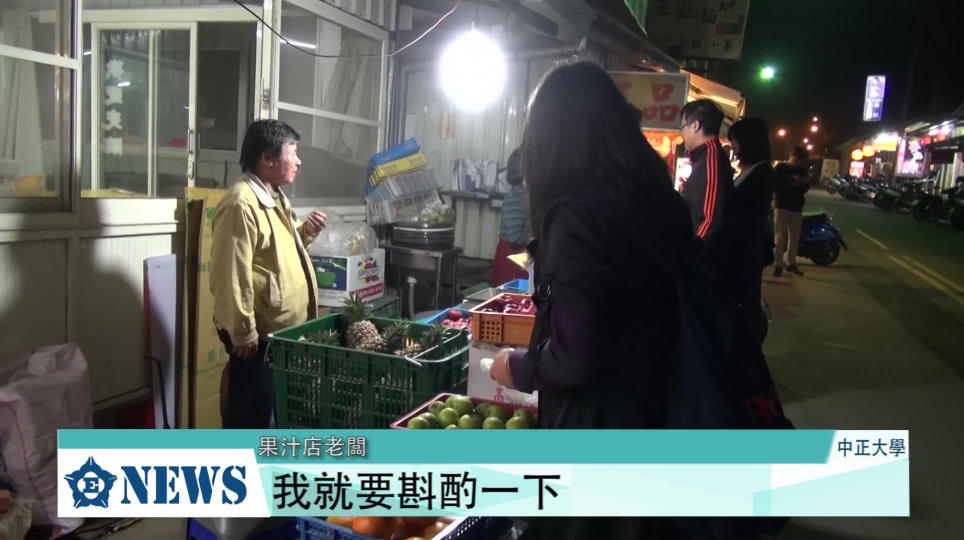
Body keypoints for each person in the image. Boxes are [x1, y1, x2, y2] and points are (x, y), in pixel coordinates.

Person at [487, 61, 702, 539]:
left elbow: (576, 357)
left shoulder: (577, 218)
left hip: (599, 431)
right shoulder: (656, 201)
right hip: (657, 411)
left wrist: (516, 366)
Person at [209, 119, 327, 428]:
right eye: (293, 153)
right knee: (251, 420)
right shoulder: (240, 203)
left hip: (281, 337)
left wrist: (304, 232)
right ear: (268, 158)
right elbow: (229, 272)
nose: (298, 161)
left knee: (273, 417)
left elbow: (275, 252)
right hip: (257, 342)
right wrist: (242, 330)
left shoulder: (274, 196)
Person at [678, 99, 734, 277]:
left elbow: (710, 219)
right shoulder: (705, 158)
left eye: (682, 127)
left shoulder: (711, 160)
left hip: (704, 265)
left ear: (695, 126)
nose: (681, 134)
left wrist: (691, 255)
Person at [489, 149, 530, 286]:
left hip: (519, 259)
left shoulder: (524, 193)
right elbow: (515, 237)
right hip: (512, 261)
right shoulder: (517, 196)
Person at [773, 146, 811, 277]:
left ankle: (790, 264)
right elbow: (775, 185)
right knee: (779, 237)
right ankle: (778, 265)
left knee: (794, 238)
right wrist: (793, 179)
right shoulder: (780, 168)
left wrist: (803, 182)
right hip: (782, 206)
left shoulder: (802, 170)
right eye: (801, 160)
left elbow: (805, 188)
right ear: (795, 158)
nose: (802, 163)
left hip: (797, 207)